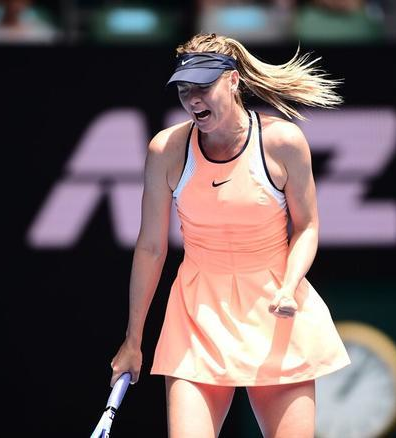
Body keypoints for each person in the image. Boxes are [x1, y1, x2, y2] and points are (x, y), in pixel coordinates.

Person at [110, 33, 351, 437]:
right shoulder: (166, 150)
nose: (193, 100)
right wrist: (132, 340)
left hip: (276, 311)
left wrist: (289, 286)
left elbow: (307, 226)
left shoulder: (282, 142)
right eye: (184, 90)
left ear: (233, 81)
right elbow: (150, 248)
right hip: (196, 316)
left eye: (203, 87)